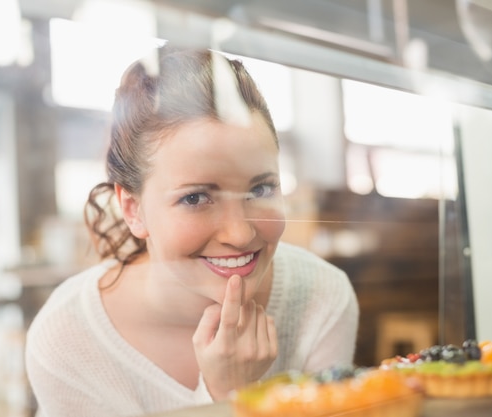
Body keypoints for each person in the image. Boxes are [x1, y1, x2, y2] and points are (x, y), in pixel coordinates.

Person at [25, 46, 358, 417]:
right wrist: (228, 395)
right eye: (196, 197)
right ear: (133, 210)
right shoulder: (68, 336)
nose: (240, 234)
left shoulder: (321, 298)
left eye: (260, 189)